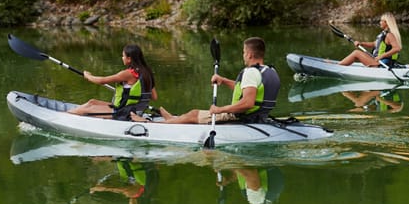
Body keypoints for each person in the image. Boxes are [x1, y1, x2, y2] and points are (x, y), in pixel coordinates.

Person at [132, 37, 280, 124]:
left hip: (242, 118)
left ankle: (157, 126)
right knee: (189, 115)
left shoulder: (250, 72)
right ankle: (172, 119)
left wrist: (220, 109)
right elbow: (247, 90)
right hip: (259, 117)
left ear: (249, 54)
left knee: (194, 114)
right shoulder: (269, 71)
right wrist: (223, 80)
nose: (243, 55)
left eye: (243, 52)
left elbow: (248, 103)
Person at [68, 44, 157, 117]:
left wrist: (88, 76)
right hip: (134, 110)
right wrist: (128, 93)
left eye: (123, 56)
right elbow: (154, 97)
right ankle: (69, 113)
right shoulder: (147, 72)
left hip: (124, 112)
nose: (122, 58)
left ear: (129, 59)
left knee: (85, 110)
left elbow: (102, 81)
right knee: (92, 102)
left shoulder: (128, 74)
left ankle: (65, 116)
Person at [338, 12, 402, 67]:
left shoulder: (389, 35)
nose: (380, 22)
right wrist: (361, 43)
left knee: (356, 53)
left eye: (381, 21)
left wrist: (381, 56)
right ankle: (340, 64)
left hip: (381, 64)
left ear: (386, 23)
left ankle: (339, 66)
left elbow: (397, 48)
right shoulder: (384, 34)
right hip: (377, 61)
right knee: (358, 53)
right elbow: (374, 44)